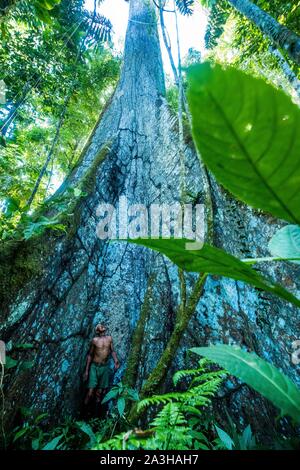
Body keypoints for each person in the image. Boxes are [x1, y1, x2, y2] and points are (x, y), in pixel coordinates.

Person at [83, 324, 120, 415]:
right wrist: (87, 371)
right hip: (94, 367)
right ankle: (82, 414)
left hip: (104, 368)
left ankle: (95, 416)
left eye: (103, 326)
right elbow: (90, 355)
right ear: (97, 331)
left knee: (99, 393)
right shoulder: (95, 340)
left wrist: (116, 360)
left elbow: (112, 351)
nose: (102, 326)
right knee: (90, 392)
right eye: (100, 326)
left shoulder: (109, 339)